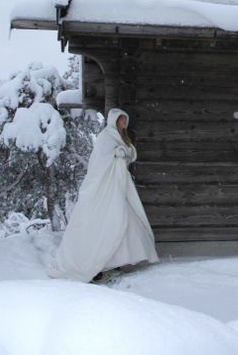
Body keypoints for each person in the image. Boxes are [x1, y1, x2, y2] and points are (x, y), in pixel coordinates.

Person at [48, 107, 158, 282]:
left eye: (125, 120)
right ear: (114, 121)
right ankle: (93, 263)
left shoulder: (122, 138)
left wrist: (123, 153)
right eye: (121, 120)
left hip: (119, 184)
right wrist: (116, 154)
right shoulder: (106, 137)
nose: (124, 123)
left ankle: (114, 261)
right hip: (104, 185)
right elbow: (99, 162)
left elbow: (130, 154)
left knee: (123, 218)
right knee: (105, 219)